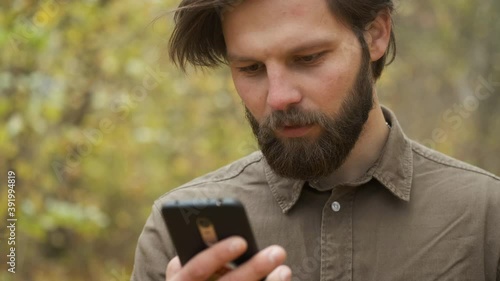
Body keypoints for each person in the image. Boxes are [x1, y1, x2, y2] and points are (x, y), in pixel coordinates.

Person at [131, 0, 500, 280]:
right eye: (251, 68)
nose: (278, 98)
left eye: (307, 58)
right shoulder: (182, 228)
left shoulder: (485, 218)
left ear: (375, 35)